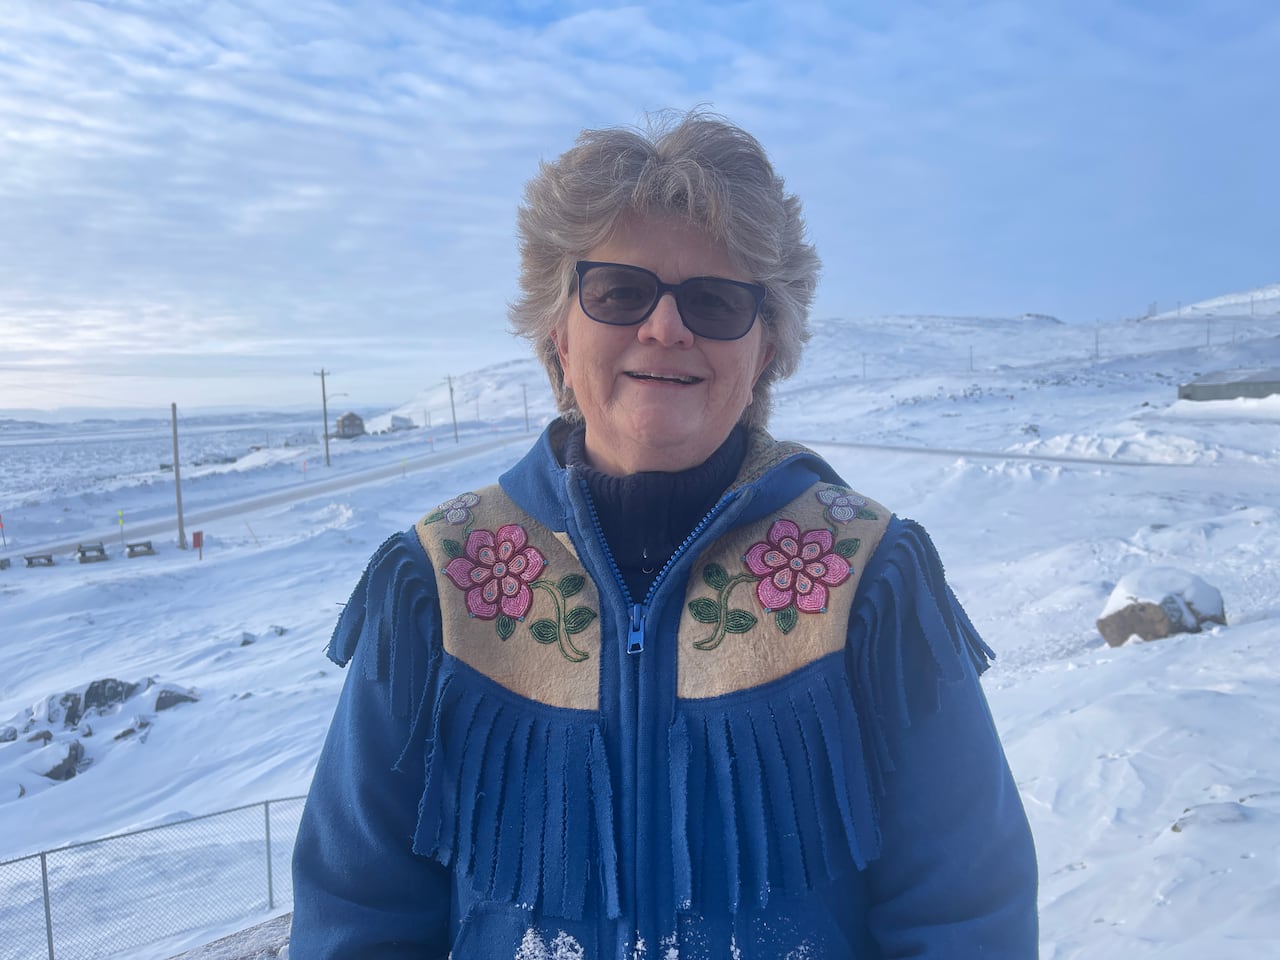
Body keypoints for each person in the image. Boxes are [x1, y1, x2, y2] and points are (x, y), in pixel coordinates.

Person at [290, 110, 1038, 958]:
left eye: (716, 301)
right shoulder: (443, 585)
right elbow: (358, 912)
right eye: (619, 291)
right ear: (557, 332)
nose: (665, 327)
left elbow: (967, 912)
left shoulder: (867, 581)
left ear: (764, 348)